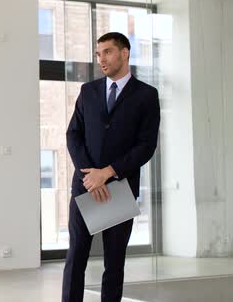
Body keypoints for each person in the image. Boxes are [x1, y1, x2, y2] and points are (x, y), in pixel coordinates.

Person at [63, 32, 160, 302]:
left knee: (114, 263)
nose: (101, 59)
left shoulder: (147, 96)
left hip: (119, 187)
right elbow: (73, 134)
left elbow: (146, 146)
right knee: (76, 257)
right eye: (98, 54)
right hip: (85, 186)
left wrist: (106, 173)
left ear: (124, 53)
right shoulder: (88, 91)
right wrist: (89, 175)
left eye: (107, 52)